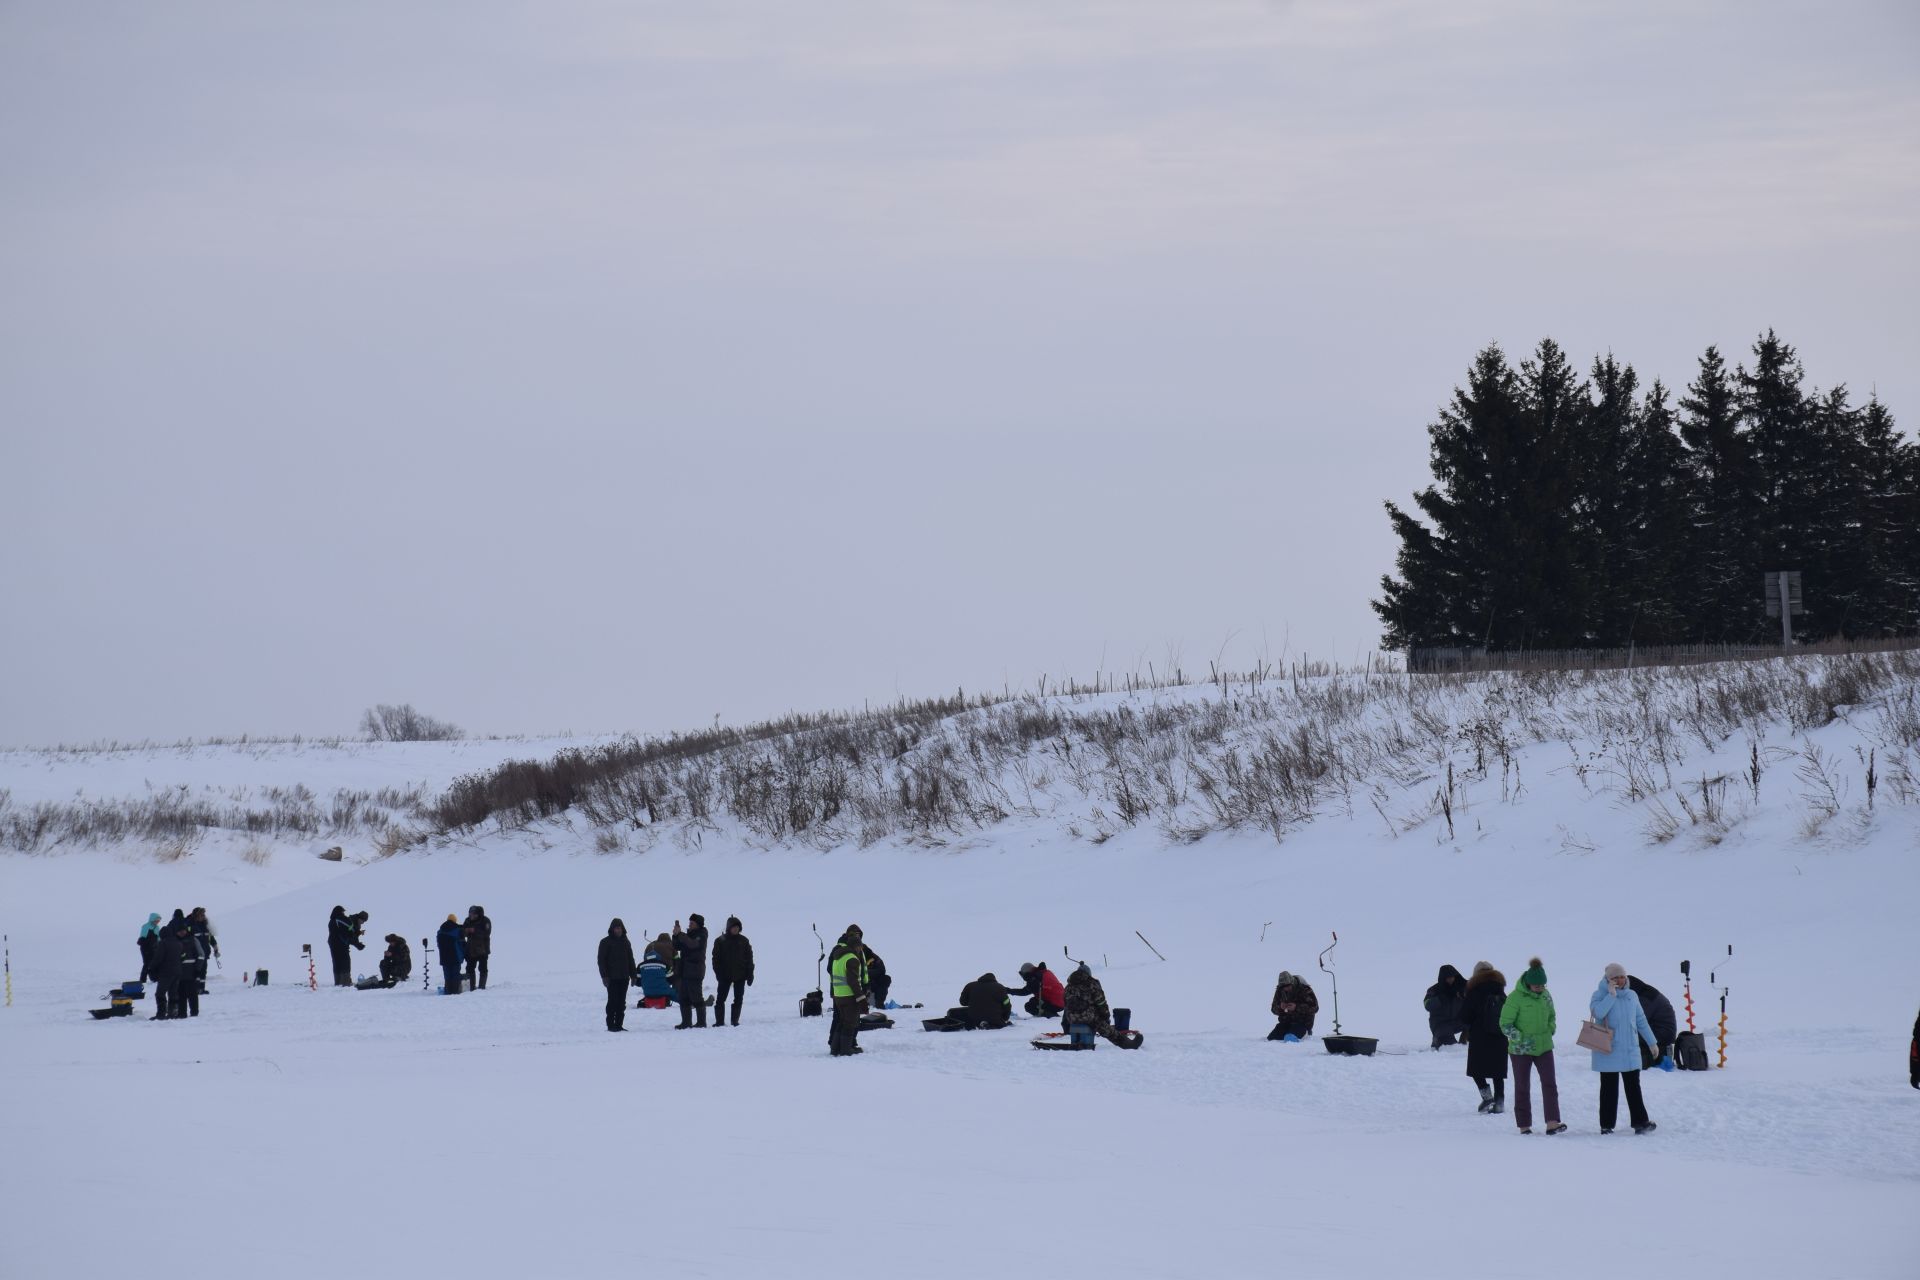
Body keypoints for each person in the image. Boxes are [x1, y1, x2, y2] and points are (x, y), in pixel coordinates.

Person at [1589, 963, 1661, 1134]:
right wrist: (1611, 996)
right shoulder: (1599, 995)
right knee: (1608, 1089)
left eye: (1622, 976)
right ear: (1608, 979)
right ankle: (1606, 1125)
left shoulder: (1632, 995)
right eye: (1615, 977)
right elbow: (1598, 1013)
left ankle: (1640, 1122)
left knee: (1633, 1087)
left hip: (1630, 1050)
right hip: (1608, 1050)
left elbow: (1641, 1020)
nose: (1620, 980)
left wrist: (1652, 1042)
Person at [1499, 957, 1564, 1134]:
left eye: (1543, 985)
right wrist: (1519, 1038)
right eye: (1537, 986)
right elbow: (1505, 1024)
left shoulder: (1546, 995)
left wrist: (1551, 1029)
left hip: (1544, 1047)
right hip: (1521, 1050)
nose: (1540, 989)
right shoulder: (1515, 998)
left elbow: (1552, 1016)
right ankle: (1524, 1125)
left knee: (1550, 1083)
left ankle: (1552, 1123)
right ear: (1528, 983)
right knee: (1522, 1086)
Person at [1459, 961, 1509, 1114]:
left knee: (1476, 1069)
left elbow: (1464, 1017)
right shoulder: (1501, 991)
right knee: (1497, 1071)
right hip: (1500, 1036)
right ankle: (1499, 1102)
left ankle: (1487, 1097)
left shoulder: (1474, 991)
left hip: (1480, 1036)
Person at [1062, 962, 1140, 1048]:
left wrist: (1067, 1021)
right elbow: (1101, 1003)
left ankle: (1076, 1041)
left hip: (1071, 1018)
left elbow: (1066, 1005)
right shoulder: (1092, 983)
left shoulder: (1068, 987)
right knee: (1107, 1030)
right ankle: (1127, 1044)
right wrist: (1106, 1018)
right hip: (1088, 1017)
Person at [827, 925, 868, 1057]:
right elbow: (853, 981)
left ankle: (835, 1049)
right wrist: (861, 998)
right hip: (849, 995)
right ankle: (846, 1049)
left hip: (839, 994)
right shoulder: (851, 957)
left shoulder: (839, 955)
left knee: (842, 1022)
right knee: (850, 1023)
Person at [711, 916, 754, 1027]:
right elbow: (715, 959)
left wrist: (750, 974)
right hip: (724, 976)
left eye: (737, 927)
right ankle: (719, 1022)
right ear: (728, 928)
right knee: (720, 999)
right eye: (733, 927)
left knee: (738, 999)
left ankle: (735, 1021)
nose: (735, 929)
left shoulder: (744, 941)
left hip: (740, 975)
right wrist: (718, 973)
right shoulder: (720, 941)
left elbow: (749, 959)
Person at [1627, 974, 1677, 1069]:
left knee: (1627, 1035)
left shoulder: (1646, 998)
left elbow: (1637, 1021)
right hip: (1661, 1031)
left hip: (1663, 1033)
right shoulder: (1646, 992)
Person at [598, 919, 636, 1032]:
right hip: (612, 978)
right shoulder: (605, 942)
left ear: (622, 929)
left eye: (619, 928)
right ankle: (611, 1025)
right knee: (612, 1002)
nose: (618, 930)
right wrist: (604, 976)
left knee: (621, 1002)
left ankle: (619, 1025)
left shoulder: (626, 942)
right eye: (616, 928)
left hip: (624, 977)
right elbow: (601, 961)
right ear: (612, 929)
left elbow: (630, 959)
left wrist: (633, 975)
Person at [672, 914, 710, 1028]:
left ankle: (701, 1022)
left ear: (698, 924)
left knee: (696, 997)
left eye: (692, 923)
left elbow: (693, 944)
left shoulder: (702, 934)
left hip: (695, 970)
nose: (689, 924)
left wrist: (680, 934)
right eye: (689, 922)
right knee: (683, 997)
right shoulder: (688, 935)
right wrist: (675, 935)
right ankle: (686, 1022)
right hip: (684, 970)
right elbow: (677, 946)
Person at [1424, 964, 1468, 1049]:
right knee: (1450, 1047)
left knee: (1475, 1025)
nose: (1450, 979)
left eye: (1452, 976)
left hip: (1459, 1021)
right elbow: (1427, 1005)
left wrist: (1466, 994)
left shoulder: (1462, 987)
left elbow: (1477, 991)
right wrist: (1442, 998)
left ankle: (1464, 1043)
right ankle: (1437, 1040)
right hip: (1440, 1024)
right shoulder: (1434, 990)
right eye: (1447, 977)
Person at [1267, 971, 1319, 1041]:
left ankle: (1307, 1033)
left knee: (1290, 1039)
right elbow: (1273, 1009)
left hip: (1302, 1024)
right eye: (1283, 987)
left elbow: (1315, 1007)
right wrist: (1280, 1007)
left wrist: (1296, 1007)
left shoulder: (1304, 989)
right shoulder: (1280, 991)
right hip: (1285, 1023)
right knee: (1271, 1039)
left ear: (1292, 982)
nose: (1286, 988)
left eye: (1288, 986)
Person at [187, 907, 219, 993]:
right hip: (195, 954)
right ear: (196, 915)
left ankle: (201, 988)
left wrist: (215, 948)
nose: (203, 916)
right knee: (196, 972)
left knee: (203, 972)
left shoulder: (206, 926)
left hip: (205, 953)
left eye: (203, 914)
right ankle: (195, 989)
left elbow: (211, 938)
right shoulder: (191, 926)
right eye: (201, 914)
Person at [462, 906, 492, 991]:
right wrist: (466, 931)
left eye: (473, 914)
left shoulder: (485, 921)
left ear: (478, 914)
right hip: (470, 950)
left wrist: (475, 931)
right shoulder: (467, 920)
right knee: (470, 969)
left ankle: (481, 987)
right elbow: (462, 931)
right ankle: (471, 987)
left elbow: (487, 933)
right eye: (470, 913)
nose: (471, 915)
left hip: (482, 949)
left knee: (483, 969)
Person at [436, 915, 466, 994]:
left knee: (447, 975)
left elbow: (439, 945)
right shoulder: (458, 930)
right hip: (455, 957)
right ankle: (455, 992)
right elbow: (462, 944)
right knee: (455, 975)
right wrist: (463, 954)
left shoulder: (440, 931)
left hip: (444, 957)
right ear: (455, 921)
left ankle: (448, 991)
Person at [327, 906, 355, 987]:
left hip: (332, 944)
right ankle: (346, 982)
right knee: (345, 962)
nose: (344, 913)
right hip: (341, 944)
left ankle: (338, 982)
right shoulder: (340, 919)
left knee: (336, 962)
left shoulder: (331, 921)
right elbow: (350, 926)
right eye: (343, 912)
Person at [137, 912, 163, 985]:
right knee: (146, 963)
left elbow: (158, 938)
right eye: (156, 920)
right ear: (152, 919)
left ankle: (154, 978)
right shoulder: (145, 926)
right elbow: (142, 938)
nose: (157, 921)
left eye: (158, 920)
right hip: (145, 948)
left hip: (154, 948)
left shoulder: (157, 927)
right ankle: (142, 980)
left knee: (153, 963)